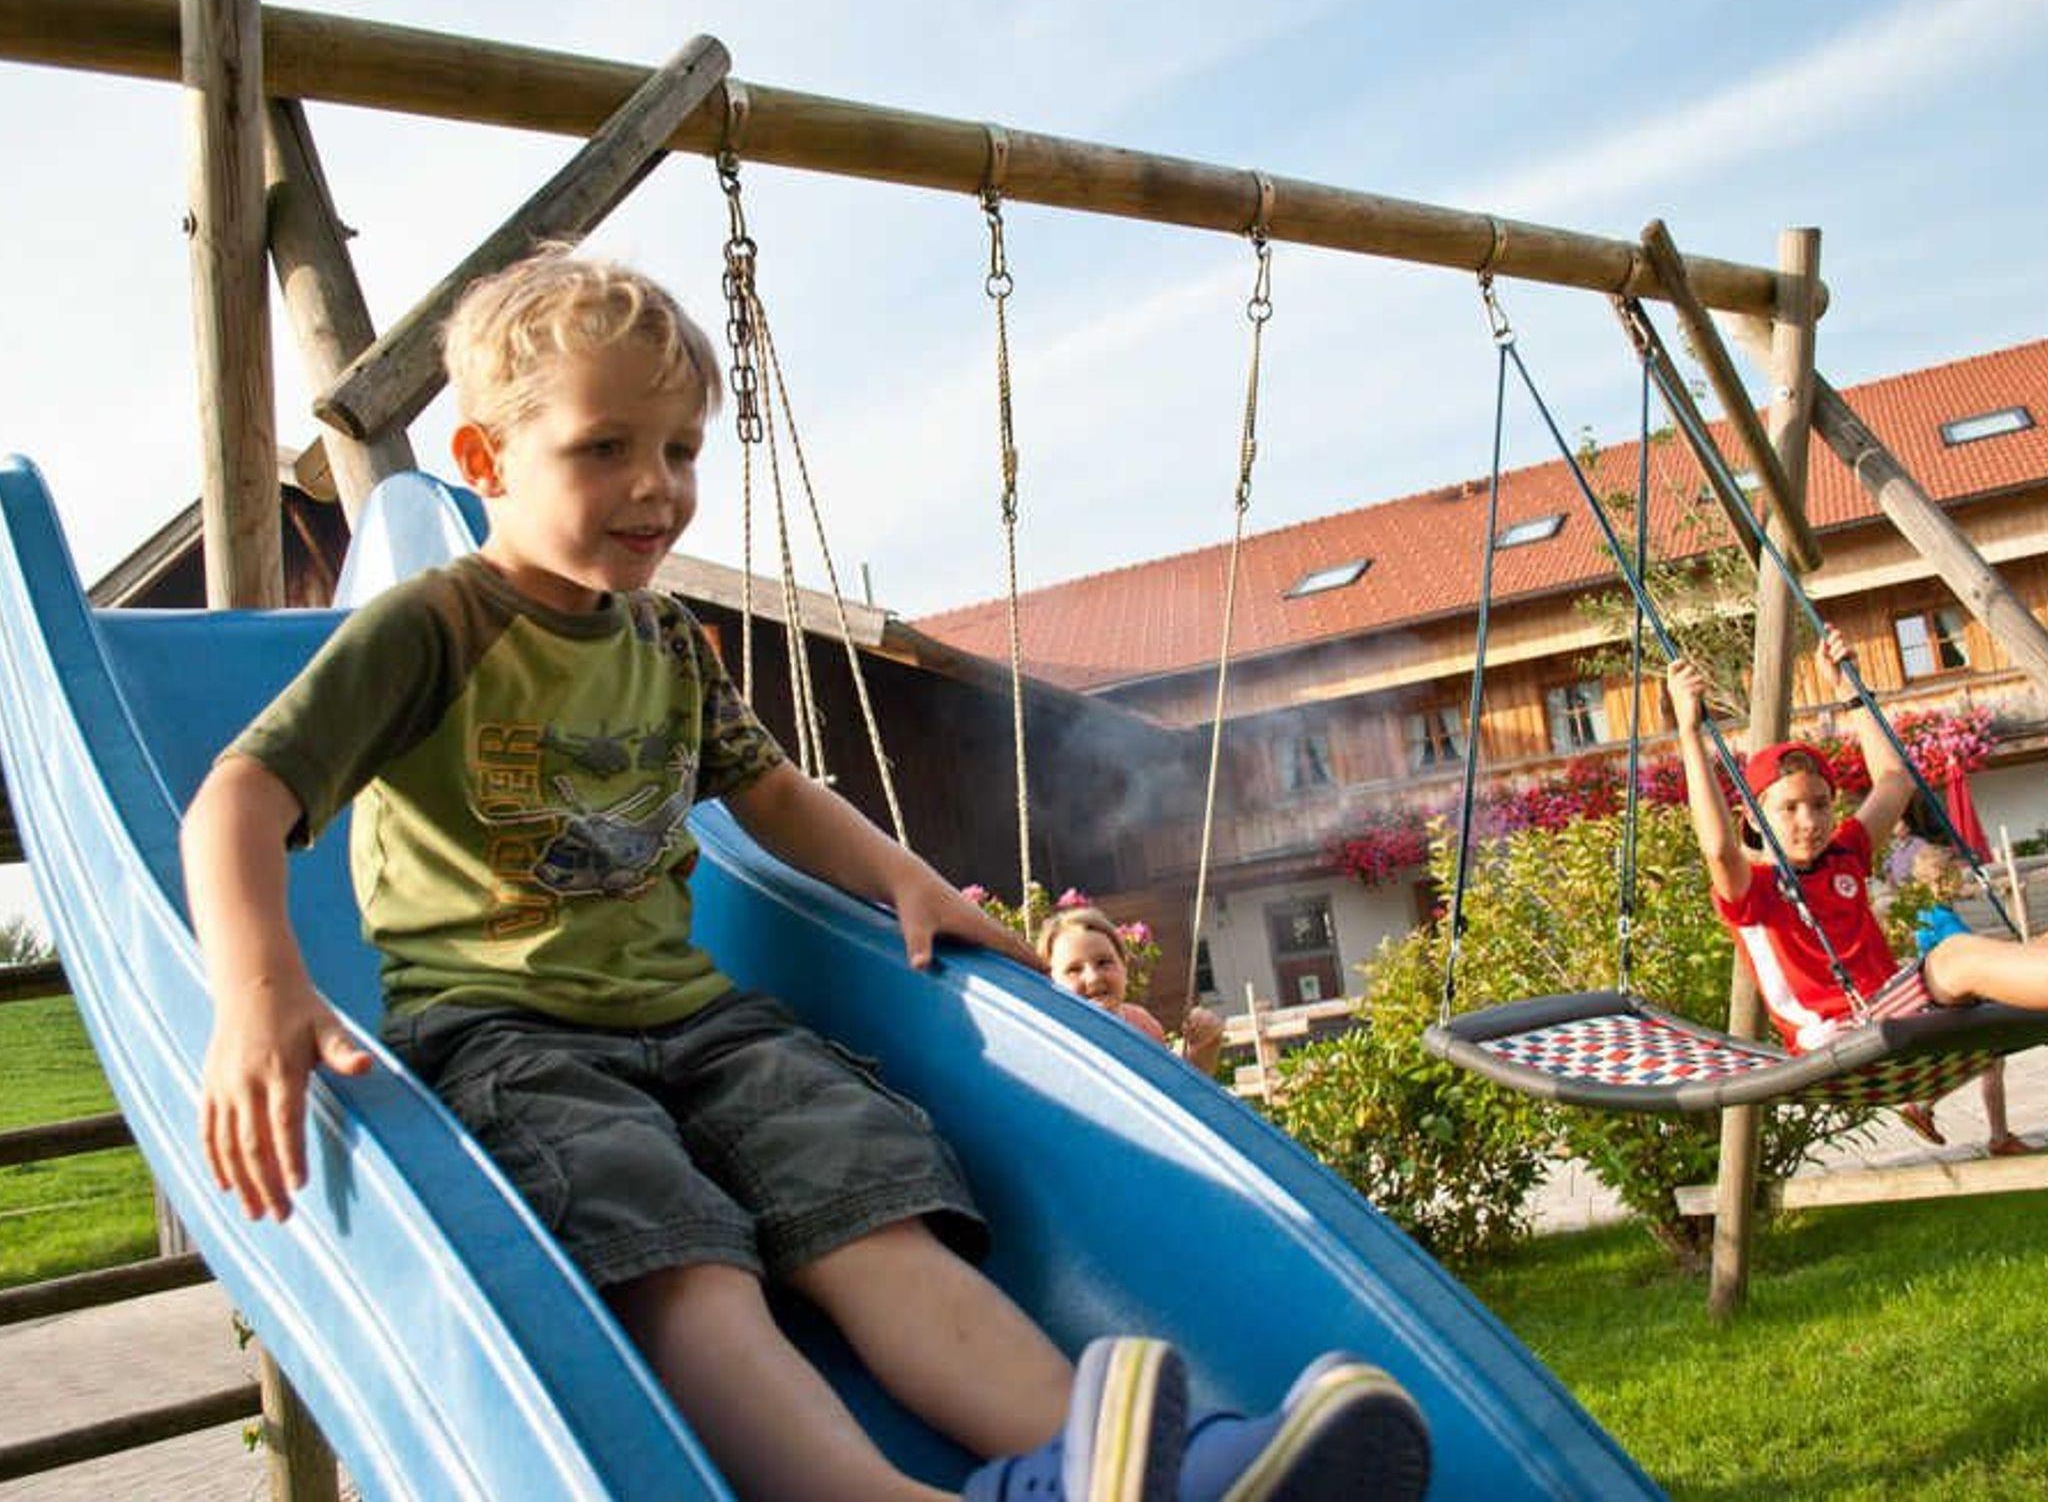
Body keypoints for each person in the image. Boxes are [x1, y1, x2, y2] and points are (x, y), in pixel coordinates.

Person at [183, 248, 1429, 1502]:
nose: (654, 485)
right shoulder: (432, 628)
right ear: (486, 459)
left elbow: (768, 788)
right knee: (679, 1259)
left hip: (698, 1020)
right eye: (603, 447)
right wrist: (258, 985)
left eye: (678, 450)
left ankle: (1117, 1470)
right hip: (506, 1035)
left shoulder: (666, 639)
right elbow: (240, 793)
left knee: (867, 1200)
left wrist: (905, 877)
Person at [1666, 627, 2048, 1064]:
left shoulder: (1843, 855)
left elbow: (1895, 781)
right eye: (1789, 808)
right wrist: (1689, 732)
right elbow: (1718, 849)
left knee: (2038, 947)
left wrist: (1851, 694)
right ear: (1753, 817)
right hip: (1838, 1037)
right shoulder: (1753, 889)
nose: (1810, 822)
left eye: (1820, 804)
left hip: (1896, 1007)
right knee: (1956, 957)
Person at [1892, 838, 2036, 1155]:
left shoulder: (1926, 913)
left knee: (1986, 1063)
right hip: (1959, 1002)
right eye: (1956, 877)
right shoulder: (1943, 919)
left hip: (1942, 1001)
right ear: (1944, 880)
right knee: (1989, 1062)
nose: (1961, 882)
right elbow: (1973, 954)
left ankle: (1926, 1108)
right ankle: (1998, 1138)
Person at [1037, 906, 1224, 1075]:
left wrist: (1202, 1049)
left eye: (1103, 962)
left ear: (1124, 967)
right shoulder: (1051, 1043)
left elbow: (1171, 1088)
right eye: (1074, 970)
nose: (1093, 977)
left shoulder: (1142, 1025)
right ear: (1050, 981)